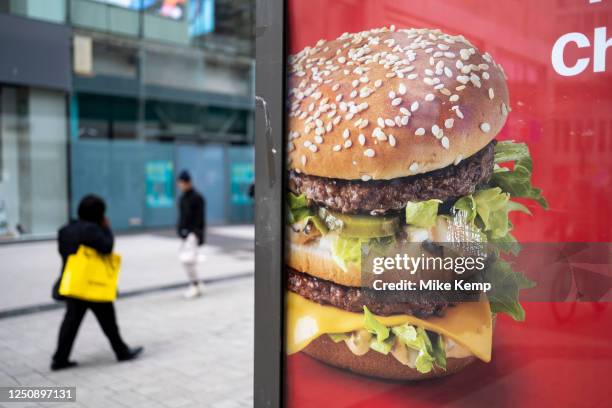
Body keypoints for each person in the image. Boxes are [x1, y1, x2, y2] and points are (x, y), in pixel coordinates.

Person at [51, 195, 143, 371]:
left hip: (74, 284)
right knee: (108, 320)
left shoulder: (65, 230)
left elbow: (64, 253)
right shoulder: (93, 230)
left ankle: (59, 358)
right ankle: (121, 351)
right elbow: (107, 247)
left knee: (70, 322)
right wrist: (106, 228)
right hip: (94, 284)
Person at [177, 170, 206, 298]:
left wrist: (196, 234)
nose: (180, 185)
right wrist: (180, 231)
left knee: (188, 261)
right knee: (188, 261)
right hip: (185, 234)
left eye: (181, 183)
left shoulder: (197, 197)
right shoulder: (182, 198)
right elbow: (181, 217)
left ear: (187, 182)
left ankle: (195, 285)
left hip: (193, 234)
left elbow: (200, 219)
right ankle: (197, 284)